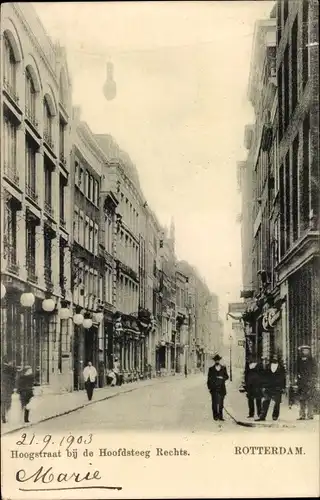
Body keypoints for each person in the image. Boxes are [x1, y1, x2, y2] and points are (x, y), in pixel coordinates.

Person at [256, 354, 286, 422]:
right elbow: (264, 377)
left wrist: (283, 387)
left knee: (277, 402)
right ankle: (262, 416)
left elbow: (283, 378)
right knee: (266, 401)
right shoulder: (267, 366)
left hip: (277, 386)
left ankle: (275, 415)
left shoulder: (281, 367)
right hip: (268, 386)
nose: (275, 358)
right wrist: (263, 385)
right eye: (274, 357)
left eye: (276, 357)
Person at [297, 345, 318, 420]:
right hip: (301, 383)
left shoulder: (312, 360)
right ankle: (302, 415)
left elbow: (315, 371)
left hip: (310, 382)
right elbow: (296, 371)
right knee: (302, 399)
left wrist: (313, 379)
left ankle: (310, 414)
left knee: (310, 399)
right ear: (301, 351)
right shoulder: (299, 360)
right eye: (304, 350)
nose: (305, 352)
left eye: (307, 350)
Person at [207, 354, 229, 421]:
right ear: (214, 361)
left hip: (222, 388)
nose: (217, 361)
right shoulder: (211, 369)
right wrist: (210, 388)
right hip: (214, 389)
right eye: (216, 360)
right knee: (214, 403)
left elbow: (227, 377)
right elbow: (209, 379)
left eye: (218, 360)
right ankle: (215, 416)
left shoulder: (223, 368)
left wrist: (222, 378)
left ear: (219, 360)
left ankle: (220, 416)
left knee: (221, 403)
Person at [244, 355, 262, 419]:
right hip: (250, 386)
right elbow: (246, 376)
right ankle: (252, 413)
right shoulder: (248, 367)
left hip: (257, 386)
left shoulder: (259, 366)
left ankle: (259, 413)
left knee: (258, 400)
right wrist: (246, 384)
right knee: (251, 401)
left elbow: (262, 376)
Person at [1, 357, 16, 423]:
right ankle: (6, 416)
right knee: (7, 403)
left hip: (3, 389)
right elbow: (13, 380)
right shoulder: (11, 369)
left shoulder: (3, 369)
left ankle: (3, 416)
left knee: (3, 403)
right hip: (7, 389)